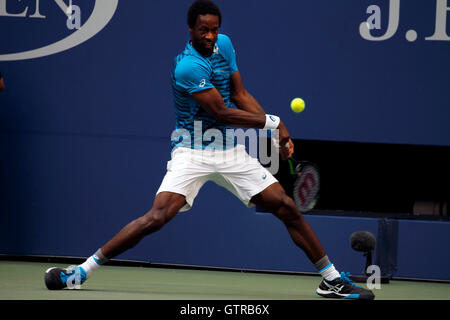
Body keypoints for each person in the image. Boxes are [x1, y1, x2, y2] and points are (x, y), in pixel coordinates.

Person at [44, 0, 374, 300]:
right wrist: (274, 123)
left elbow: (240, 95)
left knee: (285, 206)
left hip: (228, 149)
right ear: (190, 29)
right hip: (191, 150)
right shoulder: (188, 66)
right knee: (158, 217)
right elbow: (222, 112)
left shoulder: (224, 45)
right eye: (204, 30)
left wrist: (273, 134)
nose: (210, 36)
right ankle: (81, 272)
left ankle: (330, 280)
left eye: (214, 29)